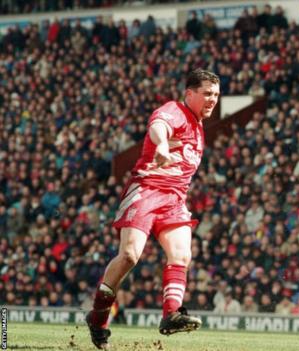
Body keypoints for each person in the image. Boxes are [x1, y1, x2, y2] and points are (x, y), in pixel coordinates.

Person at [86, 69, 220, 349]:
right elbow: (158, 126)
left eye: (216, 95)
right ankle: (98, 317)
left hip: (174, 199)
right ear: (189, 94)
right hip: (147, 190)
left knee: (182, 255)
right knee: (129, 256)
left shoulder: (198, 126)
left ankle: (171, 314)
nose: (212, 100)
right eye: (207, 93)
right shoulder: (175, 110)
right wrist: (160, 145)